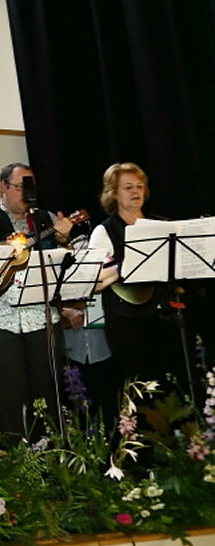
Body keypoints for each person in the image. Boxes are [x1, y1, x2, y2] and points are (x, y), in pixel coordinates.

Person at [0, 163, 84, 436]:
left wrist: (64, 240)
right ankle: (13, 463)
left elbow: (65, 270)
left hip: (43, 320)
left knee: (47, 397)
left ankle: (50, 457)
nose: (27, 194)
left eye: (31, 188)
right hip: (0, 322)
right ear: (3, 187)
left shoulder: (46, 220)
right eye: (22, 187)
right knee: (7, 398)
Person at [88, 163, 185, 392]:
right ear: (113, 193)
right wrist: (122, 268)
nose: (135, 192)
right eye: (128, 187)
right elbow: (93, 280)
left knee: (173, 384)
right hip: (126, 319)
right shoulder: (105, 231)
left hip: (163, 315)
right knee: (141, 385)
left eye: (140, 186)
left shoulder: (161, 225)